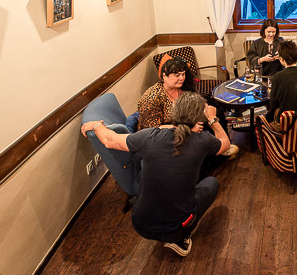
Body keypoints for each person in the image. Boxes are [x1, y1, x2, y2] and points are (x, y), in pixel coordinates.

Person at [80, 92, 228, 257]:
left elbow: (109, 140)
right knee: (212, 183)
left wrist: (96, 125)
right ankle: (180, 239)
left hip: (140, 224)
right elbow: (225, 144)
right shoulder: (203, 141)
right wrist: (213, 120)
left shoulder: (149, 136)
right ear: (199, 119)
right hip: (176, 228)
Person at [138, 57, 238, 157]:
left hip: (188, 121)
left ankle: (222, 146)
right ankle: (212, 153)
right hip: (168, 132)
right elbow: (152, 130)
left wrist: (207, 111)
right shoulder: (152, 97)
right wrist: (187, 128)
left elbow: (197, 101)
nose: (181, 78)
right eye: (177, 75)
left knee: (217, 113)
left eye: (183, 74)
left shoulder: (184, 86)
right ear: (164, 76)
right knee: (202, 130)